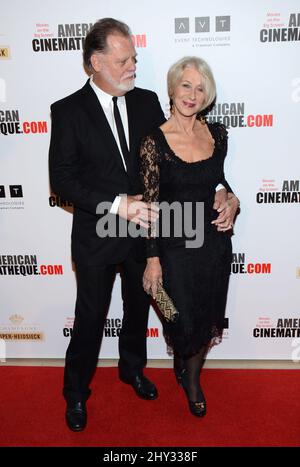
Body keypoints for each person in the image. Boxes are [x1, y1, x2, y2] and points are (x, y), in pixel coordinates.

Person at [49, 18, 234, 431]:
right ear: (95, 63)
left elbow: (180, 164)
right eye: (124, 60)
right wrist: (117, 205)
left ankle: (132, 369)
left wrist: (223, 189)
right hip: (99, 232)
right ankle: (76, 392)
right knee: (91, 317)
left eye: (134, 57)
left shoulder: (148, 101)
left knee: (140, 311)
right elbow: (62, 178)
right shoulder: (67, 111)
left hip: (146, 238)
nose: (134, 65)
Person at [140, 56, 239, 417]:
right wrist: (152, 260)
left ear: (207, 95)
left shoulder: (217, 134)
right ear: (172, 88)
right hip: (171, 249)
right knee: (176, 316)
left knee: (207, 313)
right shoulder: (154, 142)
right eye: (186, 85)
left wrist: (233, 198)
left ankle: (192, 379)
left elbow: (218, 180)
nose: (192, 94)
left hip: (213, 245)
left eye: (200, 88)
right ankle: (182, 356)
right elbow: (150, 205)